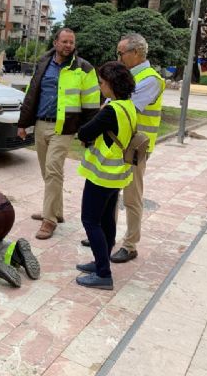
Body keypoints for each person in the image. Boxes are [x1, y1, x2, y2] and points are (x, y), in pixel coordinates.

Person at [17, 28, 100, 240]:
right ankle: (56, 211)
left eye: (71, 42)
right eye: (64, 41)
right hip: (41, 124)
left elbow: (92, 104)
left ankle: (49, 220)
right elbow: (31, 93)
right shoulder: (44, 64)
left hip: (64, 128)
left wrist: (87, 134)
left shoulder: (84, 68)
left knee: (53, 170)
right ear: (55, 43)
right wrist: (23, 123)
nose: (68, 45)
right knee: (48, 172)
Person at [75, 61, 137, 290]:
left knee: (90, 220)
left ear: (111, 84)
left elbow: (84, 132)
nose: (100, 86)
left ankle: (103, 273)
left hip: (102, 174)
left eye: (102, 82)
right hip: (118, 173)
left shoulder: (111, 110)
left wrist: (100, 111)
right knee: (106, 220)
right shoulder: (128, 106)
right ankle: (101, 261)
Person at [110, 33, 165, 263]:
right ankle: (106, 234)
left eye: (121, 53)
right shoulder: (126, 76)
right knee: (110, 191)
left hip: (136, 147)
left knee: (132, 196)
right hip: (118, 142)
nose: (118, 57)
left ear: (136, 53)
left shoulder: (150, 79)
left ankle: (130, 245)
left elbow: (128, 109)